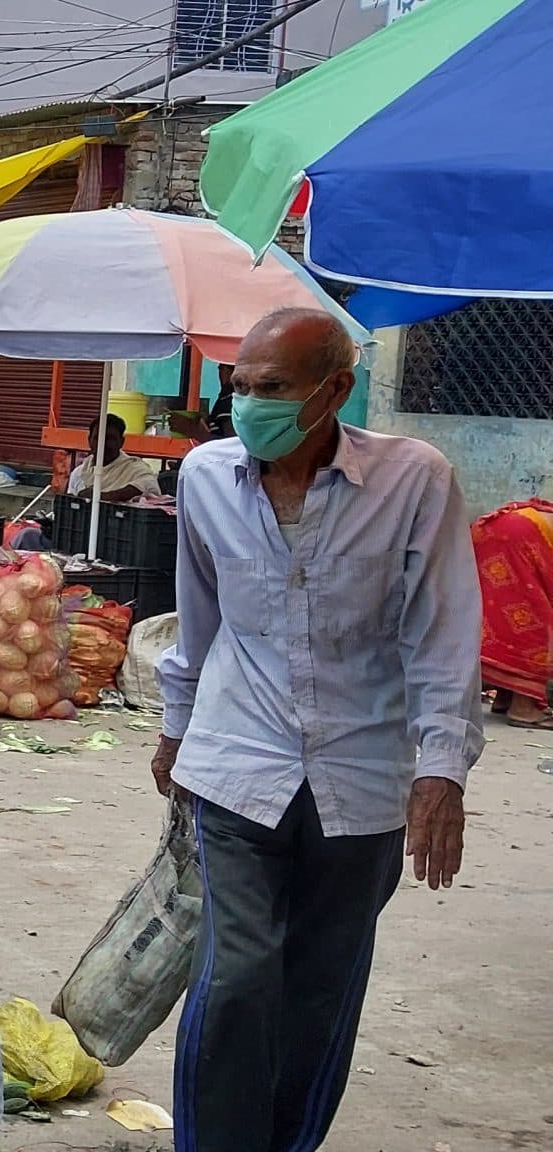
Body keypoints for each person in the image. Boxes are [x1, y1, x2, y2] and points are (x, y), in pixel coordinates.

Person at [154, 307, 481, 1151]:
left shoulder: (416, 479)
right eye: (241, 388)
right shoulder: (204, 478)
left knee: (321, 989)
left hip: (364, 774)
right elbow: (199, 620)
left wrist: (442, 772)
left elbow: (441, 633)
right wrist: (175, 727)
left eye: (273, 389)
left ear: (335, 390)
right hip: (237, 762)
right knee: (236, 977)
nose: (249, 407)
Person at [476, 499, 553, 729]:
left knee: (504, 615)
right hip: (521, 537)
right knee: (532, 623)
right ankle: (524, 708)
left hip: (496, 531)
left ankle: (505, 695)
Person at [68, 414, 162, 501]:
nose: (103, 443)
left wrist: (101, 496)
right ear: (89, 440)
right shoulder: (79, 473)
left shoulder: (134, 469)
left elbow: (147, 485)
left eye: (110, 438)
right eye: (97, 438)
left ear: (121, 442)